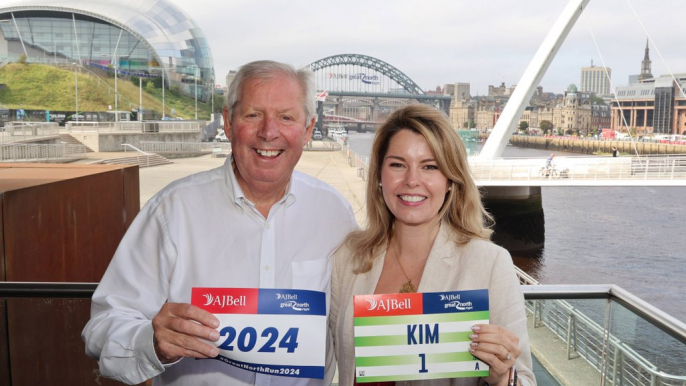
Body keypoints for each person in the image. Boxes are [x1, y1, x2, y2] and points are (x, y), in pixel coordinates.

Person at [82, 60, 357, 385]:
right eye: (253, 115)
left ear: (308, 130)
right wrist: (153, 342)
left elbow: (352, 325)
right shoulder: (172, 211)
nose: (269, 132)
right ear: (227, 122)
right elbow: (102, 328)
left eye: (286, 117)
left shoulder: (335, 214)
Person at [330, 105, 535, 386]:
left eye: (430, 166)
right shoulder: (348, 258)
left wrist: (502, 376)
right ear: (379, 175)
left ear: (450, 179)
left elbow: (522, 378)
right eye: (398, 164)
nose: (412, 180)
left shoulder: (490, 263)